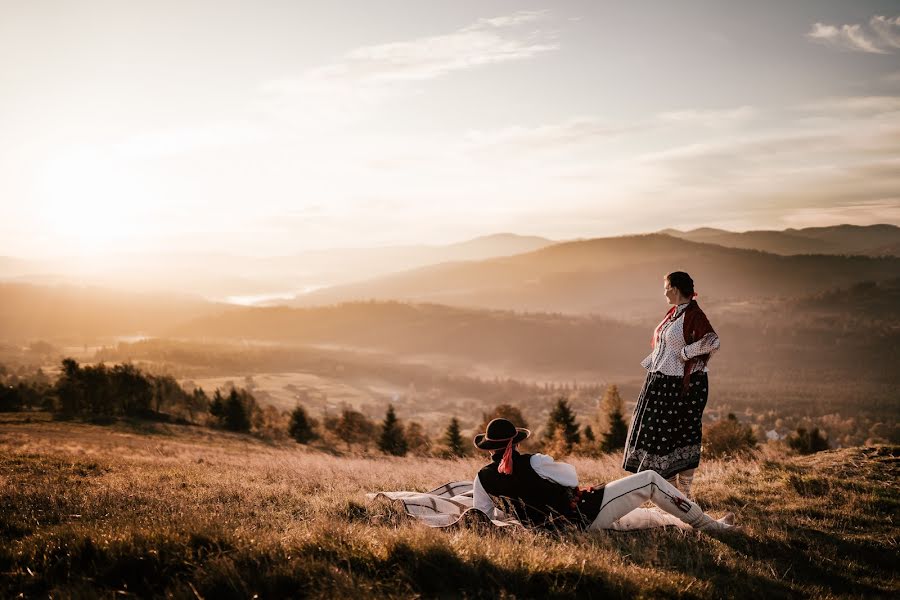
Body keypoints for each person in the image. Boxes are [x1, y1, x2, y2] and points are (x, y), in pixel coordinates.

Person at [472, 418, 735, 532]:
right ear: (516, 443)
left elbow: (483, 514)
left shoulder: (482, 479)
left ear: (490, 449)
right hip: (580, 519)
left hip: (547, 530)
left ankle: (705, 522)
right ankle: (712, 527)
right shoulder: (536, 462)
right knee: (651, 478)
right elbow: (571, 479)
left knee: (644, 515)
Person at [622, 271, 719, 499]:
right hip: (661, 381)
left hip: (681, 386)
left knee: (680, 437)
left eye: (666, 287)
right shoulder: (675, 313)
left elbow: (713, 340)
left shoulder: (694, 314)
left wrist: (686, 353)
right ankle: (672, 495)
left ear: (674, 289)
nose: (664, 291)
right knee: (659, 437)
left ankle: (682, 496)